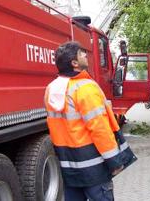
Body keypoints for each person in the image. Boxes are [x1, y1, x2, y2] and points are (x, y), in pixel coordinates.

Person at [44, 41, 136, 201]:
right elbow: (99, 128)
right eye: (81, 54)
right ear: (74, 63)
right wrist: (114, 162)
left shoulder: (52, 89)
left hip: (69, 167)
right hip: (93, 169)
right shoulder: (85, 88)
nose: (86, 55)